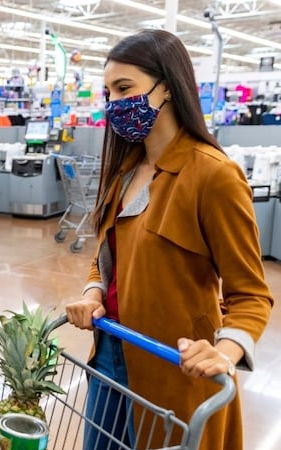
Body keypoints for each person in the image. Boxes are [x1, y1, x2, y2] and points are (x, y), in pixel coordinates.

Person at [64, 29, 273, 450]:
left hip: (174, 365)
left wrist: (225, 351)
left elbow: (250, 294)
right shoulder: (125, 171)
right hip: (110, 350)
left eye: (125, 88)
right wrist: (93, 293)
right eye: (108, 92)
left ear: (168, 88)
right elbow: (107, 259)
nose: (115, 103)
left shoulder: (213, 175)